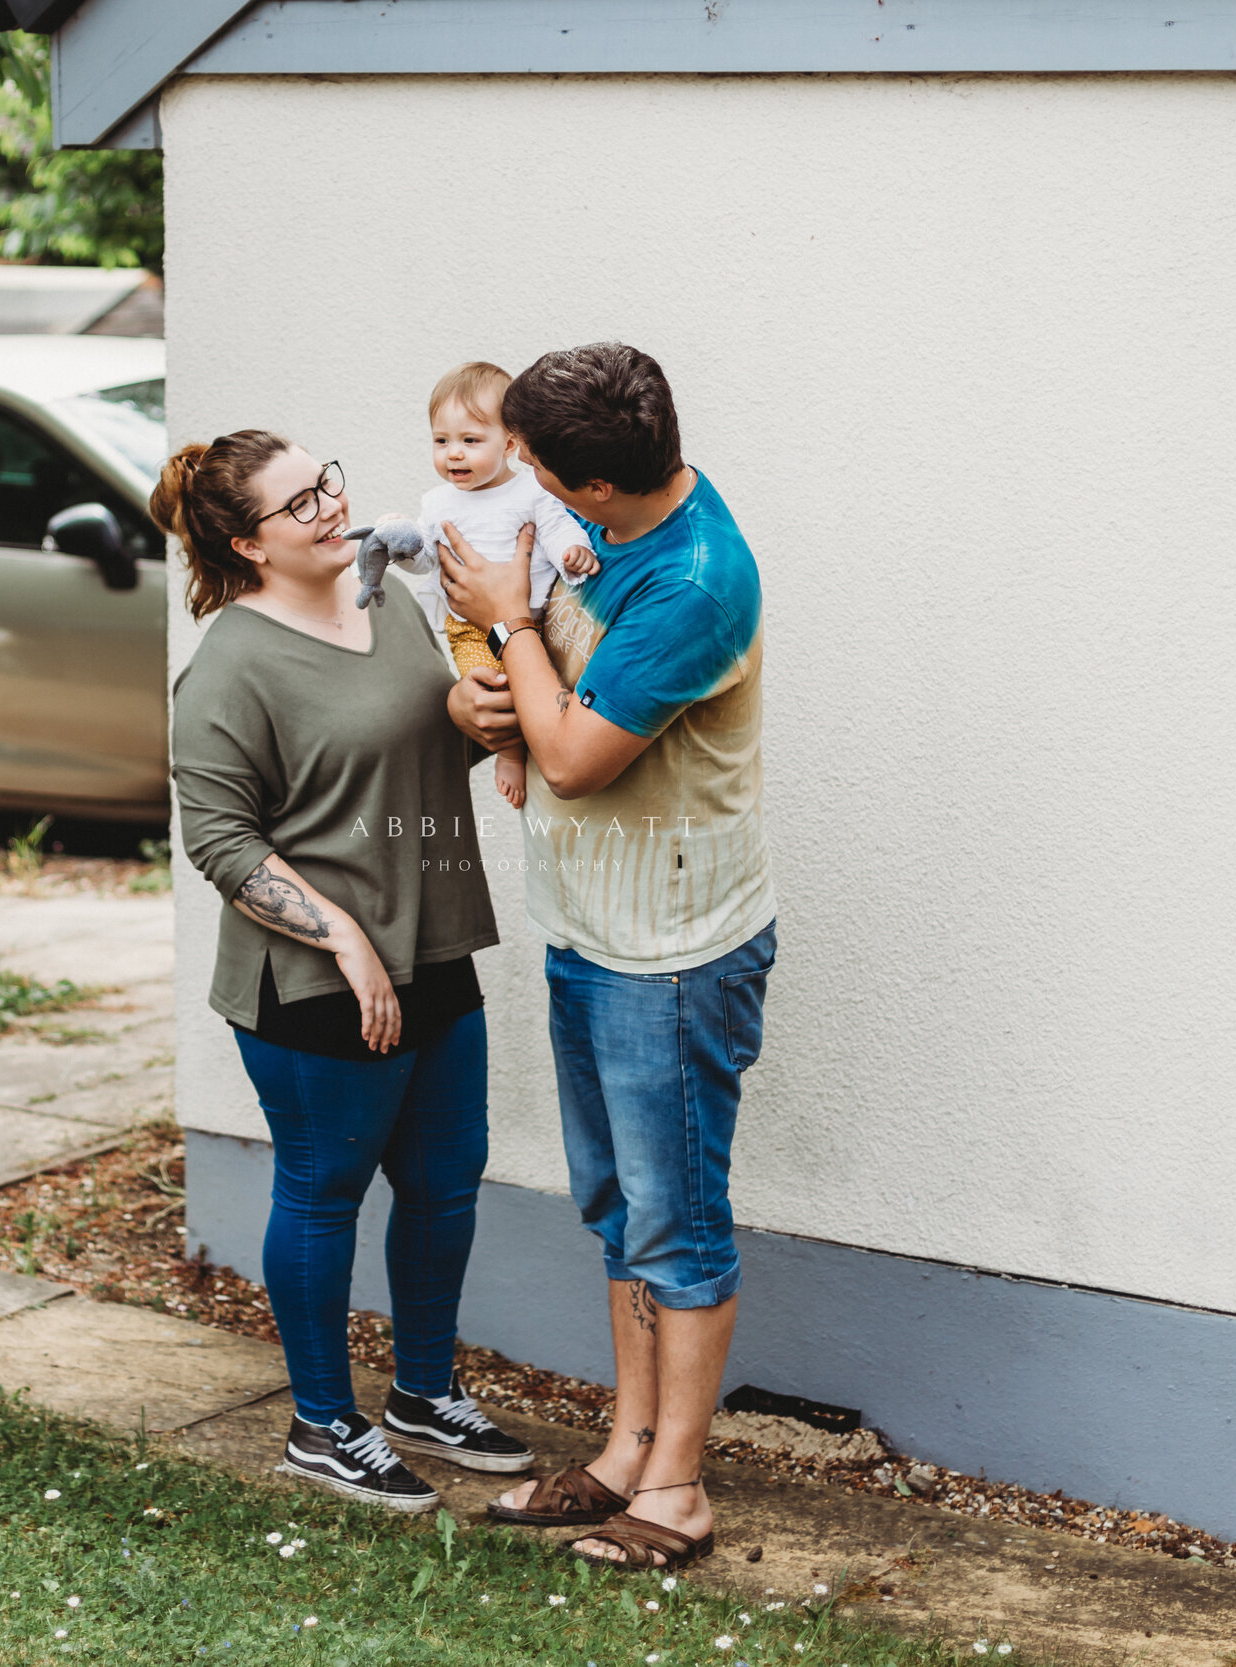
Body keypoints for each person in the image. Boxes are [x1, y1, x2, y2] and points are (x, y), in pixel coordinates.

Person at [438, 343, 776, 1574]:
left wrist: (510, 624)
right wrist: (488, 696)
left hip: (671, 953)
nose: (509, 470)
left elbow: (578, 757)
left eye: (529, 459)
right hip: (592, 923)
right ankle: (631, 1444)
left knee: (676, 1222)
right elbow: (542, 709)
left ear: (589, 486)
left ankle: (676, 1490)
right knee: (620, 1209)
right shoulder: (616, 515)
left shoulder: (691, 579)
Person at [161, 430, 536, 1512]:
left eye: (328, 482)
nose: (333, 506)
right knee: (323, 1193)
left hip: (433, 941)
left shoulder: (392, 601)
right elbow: (222, 841)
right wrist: (340, 932)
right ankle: (321, 1423)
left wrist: (483, 720)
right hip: (317, 981)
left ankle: (421, 1393)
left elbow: (416, 745)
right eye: (300, 503)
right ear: (246, 540)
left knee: (443, 1179)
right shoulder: (230, 663)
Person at [408, 361, 598, 810]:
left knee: (533, 684)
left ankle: (531, 743)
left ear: (510, 443)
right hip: (468, 627)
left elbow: (555, 528)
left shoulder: (532, 490)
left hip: (532, 620)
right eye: (441, 441)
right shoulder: (436, 503)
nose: (454, 453)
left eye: (470, 441)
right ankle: (509, 754)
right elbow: (424, 557)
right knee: (493, 686)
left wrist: (573, 550)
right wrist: (403, 546)